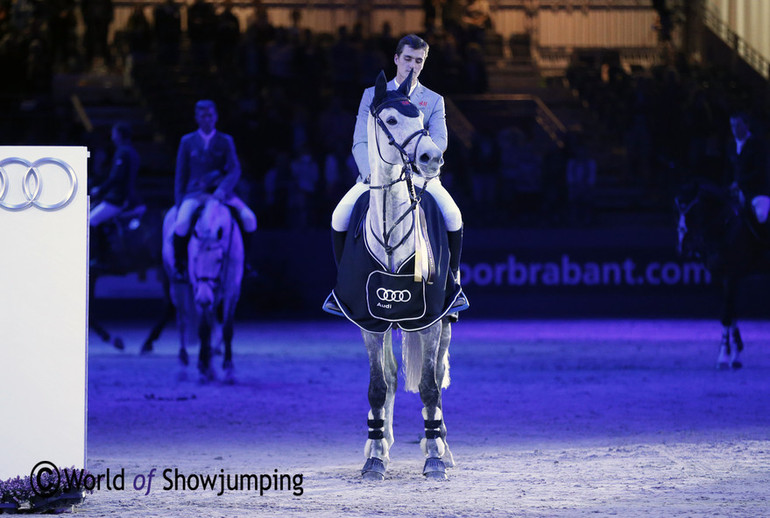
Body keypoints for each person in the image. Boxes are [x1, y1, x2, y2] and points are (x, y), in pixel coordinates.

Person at [330, 34, 464, 305]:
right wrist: (370, 172)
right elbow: (360, 140)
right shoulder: (373, 94)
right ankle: (343, 286)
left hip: (420, 177)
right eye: (407, 59)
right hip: (377, 177)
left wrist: (415, 167)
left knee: (453, 217)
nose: (412, 65)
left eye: (419, 60)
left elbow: (439, 141)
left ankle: (452, 284)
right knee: (339, 217)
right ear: (396, 59)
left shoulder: (433, 100)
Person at [172, 100, 257, 280]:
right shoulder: (187, 142)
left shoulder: (226, 141)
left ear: (216, 117)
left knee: (250, 219)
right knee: (181, 223)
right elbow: (181, 173)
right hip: (195, 194)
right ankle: (180, 264)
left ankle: (246, 263)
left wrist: (222, 189)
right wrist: (179, 202)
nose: (207, 119)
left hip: (220, 193)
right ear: (197, 118)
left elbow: (235, 169)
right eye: (203, 116)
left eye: (210, 115)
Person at [90, 122, 140, 227]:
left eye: (114, 134)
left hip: (117, 198)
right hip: (124, 196)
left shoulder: (123, 152)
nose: (112, 138)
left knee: (90, 221)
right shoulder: (133, 152)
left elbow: (116, 177)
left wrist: (100, 189)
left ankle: (97, 244)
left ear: (120, 135)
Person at [726, 111, 770, 224]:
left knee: (761, 215)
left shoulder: (758, 145)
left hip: (757, 192)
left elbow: (760, 171)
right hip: (736, 192)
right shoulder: (731, 146)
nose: (735, 129)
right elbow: (728, 170)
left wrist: (740, 183)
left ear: (747, 125)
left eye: (738, 125)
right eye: (732, 126)